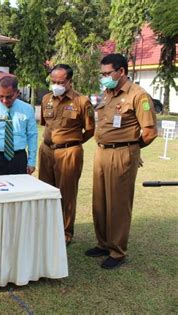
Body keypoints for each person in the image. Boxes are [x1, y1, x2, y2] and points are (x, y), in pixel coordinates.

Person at [85, 53, 157, 269]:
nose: (104, 77)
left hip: (123, 154)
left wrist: (132, 149)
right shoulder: (107, 93)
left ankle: (117, 251)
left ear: (121, 71)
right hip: (101, 152)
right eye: (102, 74)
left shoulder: (138, 95)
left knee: (118, 203)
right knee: (100, 201)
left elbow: (150, 132)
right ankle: (103, 243)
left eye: (108, 73)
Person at [38, 64, 95, 246]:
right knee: (45, 192)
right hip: (47, 150)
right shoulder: (46, 98)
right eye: (53, 81)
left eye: (60, 82)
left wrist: (72, 143)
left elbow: (90, 130)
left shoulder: (81, 101)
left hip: (69, 152)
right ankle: (46, 229)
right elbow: (45, 124)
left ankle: (65, 233)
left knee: (67, 193)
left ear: (69, 81)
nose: (56, 85)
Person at [0, 76, 37, 175]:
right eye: (1, 96)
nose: (4, 100)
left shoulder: (27, 109)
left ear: (17, 93)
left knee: (19, 189)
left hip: (19, 158)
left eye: (9, 97)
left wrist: (31, 161)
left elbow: (32, 135)